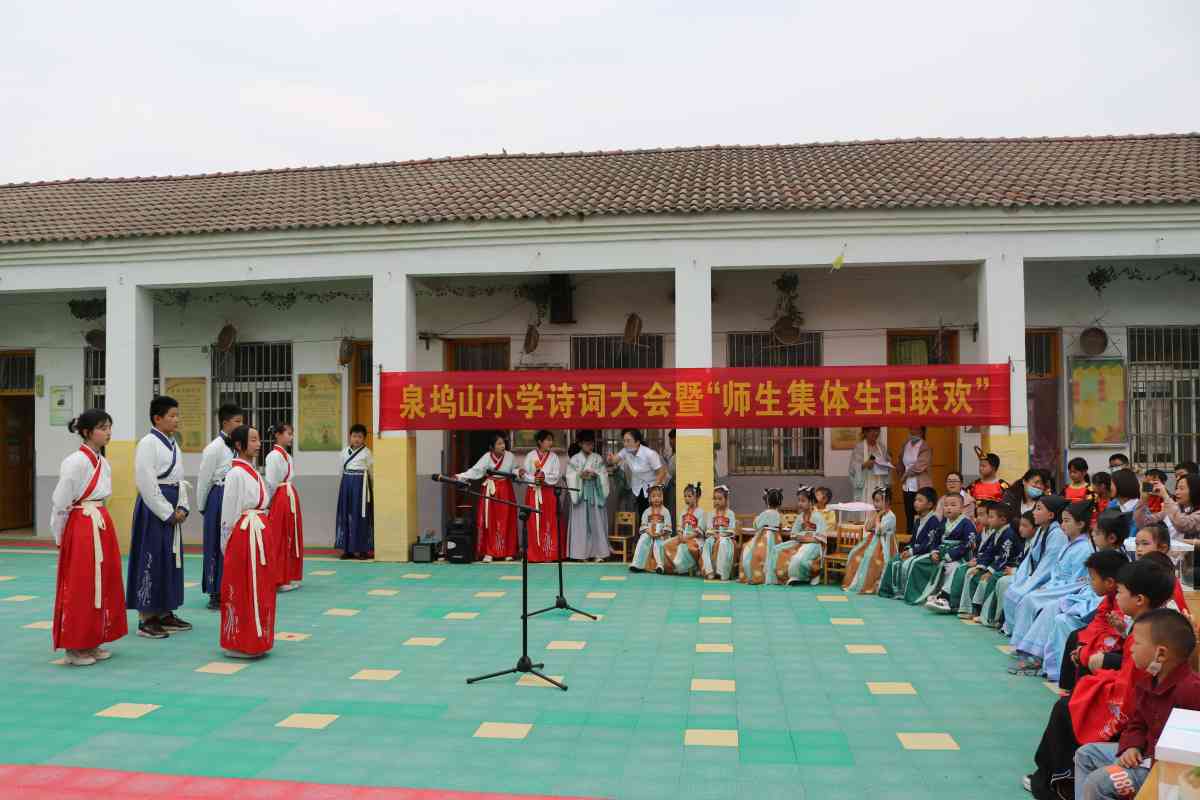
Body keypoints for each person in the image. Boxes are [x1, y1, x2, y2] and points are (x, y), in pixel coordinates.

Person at [1025, 557, 1177, 799]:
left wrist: (1098, 680)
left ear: (1139, 599)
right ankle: (1055, 777)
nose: (1117, 597)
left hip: (1133, 715)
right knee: (1076, 692)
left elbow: (1132, 688)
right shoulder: (1148, 624)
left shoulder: (1151, 634)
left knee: (1067, 708)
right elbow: (1128, 674)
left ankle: (1058, 780)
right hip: (1129, 698)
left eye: (1121, 592)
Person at [1073, 608, 1200, 800]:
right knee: (1086, 754)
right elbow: (1137, 723)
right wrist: (1131, 746)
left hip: (1161, 771)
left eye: (1137, 643)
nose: (1131, 648)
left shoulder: (1191, 690)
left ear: (1161, 654)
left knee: (1098, 783)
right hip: (1142, 755)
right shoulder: (1147, 682)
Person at [49, 409, 127, 666]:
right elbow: (61, 502)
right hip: (82, 524)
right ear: (86, 432)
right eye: (102, 428)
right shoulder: (74, 461)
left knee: (102, 582)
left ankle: (93, 639)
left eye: (109, 427)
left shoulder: (103, 462)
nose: (108, 432)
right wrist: (60, 534)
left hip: (100, 521)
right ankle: (75, 646)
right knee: (82, 584)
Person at [1035, 511, 1131, 682]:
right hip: (1091, 600)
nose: (1093, 535)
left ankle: (1062, 673)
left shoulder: (1120, 566)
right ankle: (1051, 666)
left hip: (1105, 619)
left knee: (1064, 621)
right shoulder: (1103, 558)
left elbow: (1109, 619)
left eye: (1097, 532)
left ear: (1111, 538)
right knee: (1057, 610)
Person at [125, 395, 191, 640]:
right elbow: (146, 482)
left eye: (177, 415)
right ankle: (146, 618)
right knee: (151, 558)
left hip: (173, 507)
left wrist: (183, 506)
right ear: (157, 418)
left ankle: (164, 611)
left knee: (169, 559)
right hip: (154, 511)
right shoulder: (148, 443)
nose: (177, 419)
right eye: (172, 415)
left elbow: (179, 479)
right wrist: (167, 512)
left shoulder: (173, 444)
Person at [1007, 500, 1095, 672]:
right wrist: (1049, 586)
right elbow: (1056, 572)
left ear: (1081, 524)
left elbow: (1077, 582)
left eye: (1067, 521)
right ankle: (1024, 646)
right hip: (1057, 587)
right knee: (1029, 598)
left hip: (1071, 591)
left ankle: (1035, 653)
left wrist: (1051, 588)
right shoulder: (1069, 544)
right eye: (1062, 521)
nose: (1063, 525)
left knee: (1037, 601)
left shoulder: (1085, 548)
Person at [219, 425, 276, 658]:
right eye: (253, 440)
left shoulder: (252, 471)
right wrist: (227, 543)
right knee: (244, 588)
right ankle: (241, 641)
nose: (258, 444)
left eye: (258, 439)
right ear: (239, 445)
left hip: (257, 529)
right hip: (245, 534)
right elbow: (229, 511)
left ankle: (257, 638)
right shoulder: (235, 473)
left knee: (259, 587)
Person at [1057, 547, 1131, 694]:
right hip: (1109, 636)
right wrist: (1084, 646)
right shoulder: (1109, 598)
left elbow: (1114, 637)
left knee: (1089, 653)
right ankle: (1070, 689)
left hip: (1120, 644)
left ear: (1109, 582)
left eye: (1093, 578)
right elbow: (1097, 624)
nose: (1090, 582)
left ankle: (1082, 693)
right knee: (1076, 637)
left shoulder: (1123, 600)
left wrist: (1085, 651)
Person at [999, 496, 1069, 633]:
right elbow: (1029, 560)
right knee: (1011, 588)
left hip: (1048, 580)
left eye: (1038, 509)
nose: (1034, 512)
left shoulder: (1058, 534)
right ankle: (1013, 629)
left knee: (1021, 594)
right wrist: (1021, 578)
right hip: (1036, 575)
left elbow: (1048, 566)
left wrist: (1029, 584)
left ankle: (1022, 633)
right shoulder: (1042, 530)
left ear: (1050, 515)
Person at [196, 402, 243, 609]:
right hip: (218, 496)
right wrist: (203, 506)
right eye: (237, 421)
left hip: (235, 495)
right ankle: (215, 592)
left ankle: (231, 588)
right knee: (216, 543)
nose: (241, 425)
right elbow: (204, 479)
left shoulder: (239, 446)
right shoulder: (213, 448)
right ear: (225, 423)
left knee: (233, 543)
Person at [454, 432, 518, 563]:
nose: (503, 446)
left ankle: (508, 552)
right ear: (491, 447)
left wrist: (519, 472)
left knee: (507, 520)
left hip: (505, 490)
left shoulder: (510, 456)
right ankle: (489, 552)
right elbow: (476, 470)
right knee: (489, 520)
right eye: (499, 444)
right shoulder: (487, 457)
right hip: (490, 490)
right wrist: (461, 476)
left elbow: (515, 470)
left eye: (503, 443)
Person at [955, 501, 1019, 618]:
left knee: (985, 580)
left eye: (991, 517)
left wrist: (990, 571)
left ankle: (984, 613)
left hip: (1006, 567)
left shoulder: (1008, 534)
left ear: (1003, 520)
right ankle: (968, 608)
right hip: (996, 565)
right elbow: (989, 553)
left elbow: (1004, 557)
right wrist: (980, 567)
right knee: (972, 573)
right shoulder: (997, 533)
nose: (988, 520)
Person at [977, 511, 1038, 627]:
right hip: (1016, 570)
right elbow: (988, 552)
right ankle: (987, 614)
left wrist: (1014, 571)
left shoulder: (1030, 541)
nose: (1020, 529)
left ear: (1035, 529)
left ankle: (996, 618)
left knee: (1000, 580)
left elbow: (1034, 567)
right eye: (1020, 525)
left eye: (1025, 526)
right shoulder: (1026, 541)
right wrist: (980, 564)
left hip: (1027, 575)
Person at [879, 487, 942, 599]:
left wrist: (912, 552)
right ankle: (891, 591)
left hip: (927, 553)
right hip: (916, 551)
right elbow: (913, 540)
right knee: (894, 560)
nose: (916, 503)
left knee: (911, 564)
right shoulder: (917, 520)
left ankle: (911, 593)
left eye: (920, 500)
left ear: (930, 504)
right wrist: (907, 549)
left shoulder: (934, 520)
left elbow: (930, 543)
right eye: (915, 500)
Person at [921, 492, 979, 611]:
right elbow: (935, 540)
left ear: (961, 508)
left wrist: (951, 555)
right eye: (946, 505)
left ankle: (946, 599)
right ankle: (929, 593)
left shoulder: (967, 523)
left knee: (953, 568)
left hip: (959, 557)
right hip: (942, 553)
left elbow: (968, 543)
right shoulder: (943, 522)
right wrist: (934, 552)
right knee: (922, 563)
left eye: (953, 505)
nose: (948, 508)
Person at [264, 422, 303, 592]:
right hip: (281, 496)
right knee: (279, 537)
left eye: (292, 433)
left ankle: (289, 574)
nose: (291, 437)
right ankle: (278, 578)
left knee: (290, 534)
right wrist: (269, 503)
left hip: (288, 495)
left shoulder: (287, 455)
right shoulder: (273, 456)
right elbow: (271, 482)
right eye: (288, 433)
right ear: (278, 435)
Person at [565, 430, 611, 563]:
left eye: (591, 443)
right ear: (580, 444)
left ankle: (598, 553)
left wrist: (597, 476)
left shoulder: (597, 458)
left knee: (597, 523)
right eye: (586, 443)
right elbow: (569, 475)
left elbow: (604, 474)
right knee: (580, 524)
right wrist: (579, 475)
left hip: (595, 493)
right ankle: (581, 554)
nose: (590, 446)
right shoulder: (574, 459)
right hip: (580, 494)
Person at [842, 487, 897, 594]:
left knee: (871, 558)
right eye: (874, 501)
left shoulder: (891, 516)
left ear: (887, 501)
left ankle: (871, 585)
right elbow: (867, 528)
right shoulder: (875, 513)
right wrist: (876, 515)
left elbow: (879, 531)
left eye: (878, 501)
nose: (875, 504)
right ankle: (855, 582)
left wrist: (878, 517)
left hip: (884, 545)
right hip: (872, 541)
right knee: (854, 553)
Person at [520, 430, 563, 563]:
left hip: (548, 493)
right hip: (534, 492)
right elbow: (524, 473)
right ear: (540, 441)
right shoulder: (531, 456)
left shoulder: (554, 457)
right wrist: (534, 479)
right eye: (548, 440)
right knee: (533, 522)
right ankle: (533, 554)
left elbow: (556, 475)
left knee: (549, 521)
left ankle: (549, 554)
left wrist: (544, 478)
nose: (550, 442)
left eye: (551, 440)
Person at [607, 429, 667, 519]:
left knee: (654, 515)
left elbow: (661, 472)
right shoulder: (625, 451)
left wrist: (653, 490)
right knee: (642, 514)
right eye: (624, 441)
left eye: (628, 441)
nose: (625, 444)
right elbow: (614, 460)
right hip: (638, 487)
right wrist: (610, 459)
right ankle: (643, 528)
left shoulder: (649, 454)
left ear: (637, 442)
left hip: (653, 486)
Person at [335, 424, 374, 560]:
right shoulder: (344, 452)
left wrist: (371, 488)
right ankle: (347, 550)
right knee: (346, 515)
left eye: (360, 437)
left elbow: (371, 471)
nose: (356, 439)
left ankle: (363, 549)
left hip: (361, 485)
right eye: (354, 436)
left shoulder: (367, 453)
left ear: (364, 438)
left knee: (361, 516)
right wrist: (343, 487)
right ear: (350, 437)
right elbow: (341, 470)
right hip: (346, 484)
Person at [783, 486, 828, 586]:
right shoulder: (800, 517)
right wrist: (798, 537)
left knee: (798, 558)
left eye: (803, 501)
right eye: (799, 501)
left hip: (814, 545)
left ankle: (812, 573)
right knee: (779, 551)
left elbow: (821, 537)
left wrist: (804, 538)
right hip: (800, 543)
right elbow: (793, 533)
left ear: (811, 502)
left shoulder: (818, 516)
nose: (800, 503)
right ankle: (794, 576)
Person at [1135, 472, 1200, 540]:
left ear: (1195, 490)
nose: (1176, 492)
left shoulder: (1197, 513)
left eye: (1181, 488)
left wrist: (1165, 496)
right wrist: (1143, 499)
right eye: (1176, 488)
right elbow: (1143, 523)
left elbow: (1182, 525)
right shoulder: (1173, 507)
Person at [740, 488, 784, 585]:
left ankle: (755, 575)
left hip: (764, 538)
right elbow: (781, 526)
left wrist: (756, 520)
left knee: (749, 549)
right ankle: (772, 576)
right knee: (774, 555)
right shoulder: (780, 515)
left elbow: (756, 525)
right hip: (776, 539)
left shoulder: (764, 514)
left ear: (767, 501)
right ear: (779, 503)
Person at [665, 482, 707, 575]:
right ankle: (670, 567)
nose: (686, 498)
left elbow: (698, 532)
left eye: (689, 496)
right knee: (667, 544)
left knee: (683, 547)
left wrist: (686, 538)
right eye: (685, 496)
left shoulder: (701, 512)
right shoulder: (683, 512)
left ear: (696, 497)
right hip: (683, 537)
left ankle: (685, 568)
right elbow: (680, 527)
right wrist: (680, 535)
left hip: (695, 539)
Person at [848, 427, 892, 516]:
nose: (876, 433)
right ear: (865, 432)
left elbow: (888, 462)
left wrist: (886, 464)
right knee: (866, 508)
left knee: (880, 508)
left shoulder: (882, 447)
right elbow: (852, 468)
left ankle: (879, 523)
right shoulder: (859, 447)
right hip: (866, 483)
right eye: (873, 431)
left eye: (877, 430)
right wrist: (865, 464)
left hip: (879, 482)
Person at [630, 484, 672, 573]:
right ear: (649, 498)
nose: (656, 498)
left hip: (661, 534)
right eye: (653, 496)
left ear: (662, 498)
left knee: (659, 542)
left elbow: (668, 526)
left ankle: (660, 565)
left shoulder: (666, 511)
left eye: (659, 496)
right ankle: (637, 564)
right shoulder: (646, 511)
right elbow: (644, 525)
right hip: (649, 534)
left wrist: (660, 533)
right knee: (643, 538)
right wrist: (649, 532)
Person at [898, 427, 932, 534]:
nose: (913, 431)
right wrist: (900, 472)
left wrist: (905, 475)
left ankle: (921, 538)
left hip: (921, 485)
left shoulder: (925, 446)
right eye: (912, 429)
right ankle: (909, 538)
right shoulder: (905, 444)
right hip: (907, 486)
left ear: (922, 431)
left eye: (916, 429)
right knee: (909, 515)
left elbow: (919, 466)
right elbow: (901, 461)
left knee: (921, 515)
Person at [702, 485, 738, 581]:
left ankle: (721, 572)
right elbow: (709, 529)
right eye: (715, 499)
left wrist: (721, 536)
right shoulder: (711, 513)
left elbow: (732, 530)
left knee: (722, 542)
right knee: (707, 543)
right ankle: (709, 571)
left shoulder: (730, 513)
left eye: (720, 499)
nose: (717, 501)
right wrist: (714, 535)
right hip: (713, 537)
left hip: (726, 539)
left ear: (726, 500)